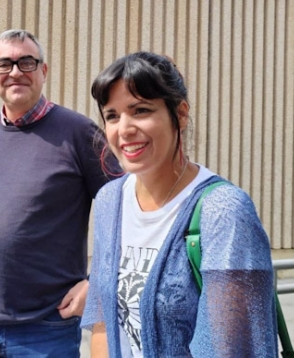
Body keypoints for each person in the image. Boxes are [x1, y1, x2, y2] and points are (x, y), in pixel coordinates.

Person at [82, 52, 278, 357]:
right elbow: (104, 322)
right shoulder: (110, 200)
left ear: (181, 114)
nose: (124, 129)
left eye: (141, 110)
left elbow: (229, 350)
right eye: (112, 115)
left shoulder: (224, 212)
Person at [0, 29, 117, 357]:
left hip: (46, 325)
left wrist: (97, 282)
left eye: (27, 62)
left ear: (43, 71)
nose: (15, 72)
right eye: (4, 64)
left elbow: (127, 207)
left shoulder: (79, 133)